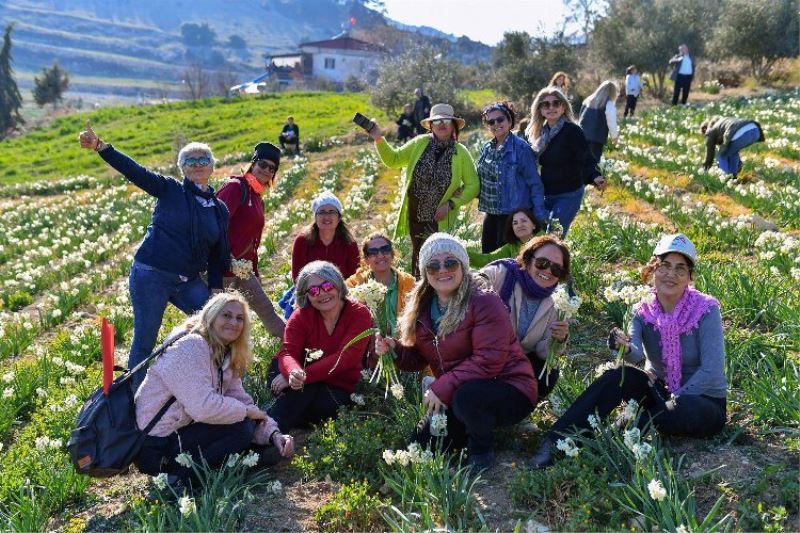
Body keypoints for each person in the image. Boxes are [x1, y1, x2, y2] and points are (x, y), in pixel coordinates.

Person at [530, 234, 727, 469]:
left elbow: (712, 370)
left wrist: (675, 399)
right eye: (664, 266)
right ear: (653, 268)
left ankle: (627, 428)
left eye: (680, 269)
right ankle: (555, 442)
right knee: (615, 377)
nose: (671, 275)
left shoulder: (706, 310)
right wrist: (619, 344)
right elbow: (636, 354)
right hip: (660, 392)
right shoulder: (642, 309)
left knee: (685, 408)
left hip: (702, 400)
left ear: (689, 277)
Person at [78, 122, 229, 390]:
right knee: (145, 340)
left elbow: (218, 253)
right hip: (152, 274)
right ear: (182, 168)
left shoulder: (218, 208)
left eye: (203, 159)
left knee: (215, 324)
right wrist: (102, 147)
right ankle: (135, 401)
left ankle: (211, 383)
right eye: (190, 161)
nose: (197, 164)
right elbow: (135, 172)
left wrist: (216, 289)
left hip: (187, 280)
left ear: (212, 166)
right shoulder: (169, 189)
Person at [375, 234, 538, 469]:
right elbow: (421, 358)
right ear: (425, 272)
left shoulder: (483, 302)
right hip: (456, 390)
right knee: (420, 444)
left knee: (466, 397)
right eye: (433, 265)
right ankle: (467, 431)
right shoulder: (422, 308)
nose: (442, 270)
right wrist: (395, 350)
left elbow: (488, 360)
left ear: (463, 266)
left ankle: (481, 453)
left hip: (510, 388)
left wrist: (441, 387)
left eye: (450, 262)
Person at [134, 292, 294, 490]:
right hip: (155, 445)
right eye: (226, 315)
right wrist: (246, 413)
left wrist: (274, 433)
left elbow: (241, 400)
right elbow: (203, 408)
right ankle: (179, 478)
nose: (233, 323)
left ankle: (246, 457)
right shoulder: (190, 346)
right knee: (240, 427)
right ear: (210, 316)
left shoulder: (224, 352)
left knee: (241, 422)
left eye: (240, 318)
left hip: (182, 430)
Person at [367, 103, 479, 277]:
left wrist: (451, 204)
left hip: (440, 218)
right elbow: (394, 159)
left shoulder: (461, 152)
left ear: (453, 125)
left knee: (438, 261)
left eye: (446, 120)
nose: (442, 124)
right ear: (431, 125)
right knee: (419, 261)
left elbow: (473, 185)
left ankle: (441, 297)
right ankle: (421, 298)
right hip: (416, 217)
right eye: (437, 121)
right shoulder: (420, 143)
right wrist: (378, 137)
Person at [268, 261, 373, 431]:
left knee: (317, 400)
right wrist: (293, 372)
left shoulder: (359, 314)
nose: (322, 293)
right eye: (314, 290)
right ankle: (274, 431)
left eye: (327, 285)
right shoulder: (301, 316)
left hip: (336, 382)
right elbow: (287, 353)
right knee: (304, 393)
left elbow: (346, 358)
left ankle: (267, 427)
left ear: (338, 283)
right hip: (292, 376)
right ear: (306, 296)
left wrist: (303, 376)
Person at [479, 235, 571, 399]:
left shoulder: (558, 302)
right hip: (484, 352)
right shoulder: (506, 273)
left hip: (515, 360)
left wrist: (559, 339)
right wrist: (481, 286)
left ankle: (516, 412)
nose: (548, 271)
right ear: (528, 260)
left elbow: (543, 353)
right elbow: (480, 280)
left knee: (548, 374)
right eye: (542, 263)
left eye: (557, 269)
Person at [217, 142, 286, 340]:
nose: (266, 171)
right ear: (253, 163)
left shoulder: (257, 198)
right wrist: (225, 258)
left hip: (244, 270)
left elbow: (253, 242)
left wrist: (255, 271)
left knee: (268, 312)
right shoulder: (235, 187)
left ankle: (300, 351)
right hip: (224, 270)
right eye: (263, 165)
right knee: (222, 322)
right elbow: (215, 224)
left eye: (272, 168)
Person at [524, 88, 607, 236]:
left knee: (553, 236)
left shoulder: (572, 131)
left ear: (563, 107)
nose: (551, 108)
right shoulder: (540, 134)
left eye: (556, 103)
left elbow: (585, 157)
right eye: (546, 105)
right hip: (546, 194)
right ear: (540, 110)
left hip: (568, 194)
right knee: (541, 236)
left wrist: (595, 176)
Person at [477, 102, 548, 253]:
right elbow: (482, 180)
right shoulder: (487, 149)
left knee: (508, 261)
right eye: (491, 122)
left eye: (500, 119)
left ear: (509, 121)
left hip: (513, 216)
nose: (496, 124)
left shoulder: (521, 148)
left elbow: (535, 184)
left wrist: (539, 217)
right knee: (489, 256)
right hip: (491, 213)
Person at [345, 233, 416, 336]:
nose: (380, 255)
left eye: (385, 249)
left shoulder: (409, 283)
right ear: (366, 259)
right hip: (369, 344)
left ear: (392, 254)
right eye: (373, 252)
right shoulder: (355, 284)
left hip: (403, 344)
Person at [291, 191, 360, 282]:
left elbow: (353, 277)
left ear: (339, 218)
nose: (326, 216)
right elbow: (298, 277)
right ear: (315, 218)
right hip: (311, 292)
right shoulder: (303, 241)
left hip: (340, 292)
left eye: (332, 212)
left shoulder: (349, 243)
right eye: (322, 212)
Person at [467, 207, 540, 269]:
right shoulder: (511, 246)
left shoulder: (545, 242)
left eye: (524, 221)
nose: (519, 225)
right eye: (515, 223)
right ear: (512, 229)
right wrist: (460, 252)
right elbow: (488, 260)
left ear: (534, 225)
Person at [700, 117, 765, 178]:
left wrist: (705, 168)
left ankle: (725, 177)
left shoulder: (710, 130)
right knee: (732, 152)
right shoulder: (723, 122)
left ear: (705, 129)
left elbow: (710, 153)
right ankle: (733, 176)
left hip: (741, 133)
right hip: (755, 130)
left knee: (721, 155)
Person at [579, 80, 619, 163]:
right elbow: (611, 122)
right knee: (593, 161)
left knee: (582, 159)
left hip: (582, 134)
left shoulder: (589, 100)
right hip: (597, 136)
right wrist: (614, 137)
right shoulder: (608, 103)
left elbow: (581, 116)